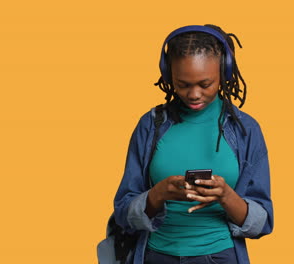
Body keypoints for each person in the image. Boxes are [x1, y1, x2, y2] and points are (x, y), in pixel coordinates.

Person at [113, 24, 274, 264]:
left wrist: (226, 196)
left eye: (205, 84)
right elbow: (123, 213)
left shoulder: (245, 130)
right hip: (156, 255)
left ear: (224, 72)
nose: (194, 94)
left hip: (220, 256)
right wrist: (157, 195)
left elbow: (263, 223)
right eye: (183, 84)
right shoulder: (150, 125)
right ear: (168, 75)